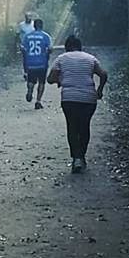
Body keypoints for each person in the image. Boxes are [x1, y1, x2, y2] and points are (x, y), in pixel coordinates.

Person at [47, 35, 108, 172]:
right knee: (84, 126)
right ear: (80, 46)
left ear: (66, 47)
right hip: (88, 99)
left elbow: (50, 79)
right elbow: (103, 74)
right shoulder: (90, 58)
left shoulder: (61, 59)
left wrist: (60, 81)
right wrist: (99, 91)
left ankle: (76, 159)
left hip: (69, 99)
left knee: (72, 127)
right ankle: (82, 156)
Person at [22, 17, 53, 109]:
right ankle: (38, 101)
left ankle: (30, 90)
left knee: (31, 80)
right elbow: (50, 49)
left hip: (30, 62)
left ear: (34, 26)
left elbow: (23, 48)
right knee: (42, 82)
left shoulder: (27, 36)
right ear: (42, 26)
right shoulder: (46, 36)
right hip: (42, 63)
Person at [16, 12, 34, 80]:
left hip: (32, 44)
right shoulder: (21, 25)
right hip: (24, 44)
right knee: (26, 58)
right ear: (25, 17)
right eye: (27, 17)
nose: (28, 18)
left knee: (32, 58)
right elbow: (17, 34)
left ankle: (31, 72)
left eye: (30, 17)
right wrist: (18, 44)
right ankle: (26, 72)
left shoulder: (33, 24)